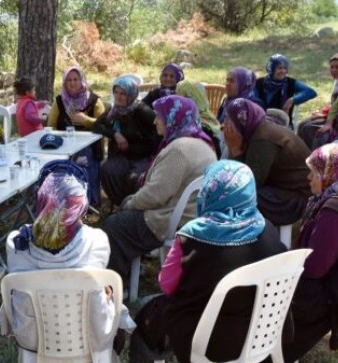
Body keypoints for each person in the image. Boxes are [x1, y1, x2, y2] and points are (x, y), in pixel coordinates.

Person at [129, 160, 287, 363]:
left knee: (147, 321)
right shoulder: (267, 228)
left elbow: (166, 285)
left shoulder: (192, 236)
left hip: (206, 340)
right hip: (262, 330)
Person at [0, 160, 135, 360]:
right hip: (90, 340)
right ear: (82, 205)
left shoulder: (16, 244)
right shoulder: (97, 241)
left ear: (40, 200)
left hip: (33, 343)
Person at [101, 95, 217, 281]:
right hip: (191, 213)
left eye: (159, 116)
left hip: (173, 218)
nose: (155, 121)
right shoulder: (202, 142)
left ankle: (116, 282)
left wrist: (129, 203)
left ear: (172, 119)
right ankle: (131, 271)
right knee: (122, 218)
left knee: (114, 225)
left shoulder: (179, 149)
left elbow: (156, 195)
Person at [283, 143, 338, 362]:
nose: (308, 178)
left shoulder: (336, 210)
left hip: (337, 292)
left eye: (314, 172)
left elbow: (315, 267)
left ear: (331, 173)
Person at [223, 98, 311, 226]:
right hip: (280, 188)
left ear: (241, 122)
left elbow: (248, 183)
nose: (225, 125)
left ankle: (244, 239)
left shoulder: (262, 140)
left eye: (229, 121)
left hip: (296, 200)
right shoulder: (255, 130)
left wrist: (235, 150)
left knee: (237, 197)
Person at [93, 75, 160, 206]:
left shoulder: (141, 110)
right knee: (107, 169)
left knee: (134, 179)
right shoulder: (114, 111)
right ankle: (121, 204)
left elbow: (158, 128)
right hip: (122, 157)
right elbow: (97, 125)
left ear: (131, 94)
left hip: (143, 157)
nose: (118, 97)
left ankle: (135, 206)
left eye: (123, 93)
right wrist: (115, 134)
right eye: (116, 92)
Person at [47, 65, 107, 207]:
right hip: (64, 146)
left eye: (75, 79)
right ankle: (60, 203)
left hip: (89, 147)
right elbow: (51, 126)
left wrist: (85, 120)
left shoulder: (94, 101)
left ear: (82, 81)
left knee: (83, 158)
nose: (72, 83)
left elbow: (105, 126)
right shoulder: (60, 101)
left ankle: (87, 203)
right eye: (68, 80)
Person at [297, 52, 338, 149]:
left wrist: (327, 119)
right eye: (332, 67)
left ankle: (317, 158)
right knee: (302, 125)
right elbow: (334, 103)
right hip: (333, 115)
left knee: (308, 129)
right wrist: (323, 112)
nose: (334, 70)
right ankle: (301, 155)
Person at [254, 54, 317, 129]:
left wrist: (292, 100)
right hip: (261, 123)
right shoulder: (259, 83)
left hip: (284, 125)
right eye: (279, 68)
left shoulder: (290, 83)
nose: (283, 71)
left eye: (285, 68)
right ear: (271, 69)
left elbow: (311, 92)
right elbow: (253, 101)